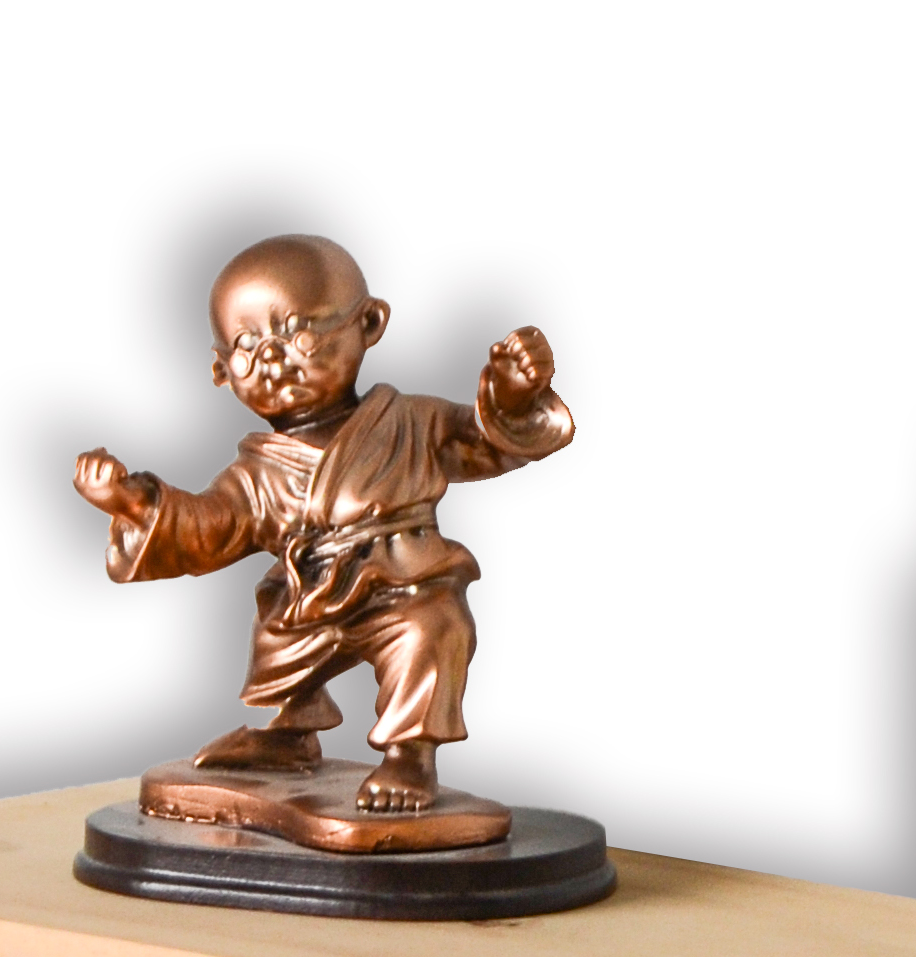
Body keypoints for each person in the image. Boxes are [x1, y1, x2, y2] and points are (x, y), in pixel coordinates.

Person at [73, 234, 573, 813]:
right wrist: (131, 502)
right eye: (246, 346)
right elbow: (209, 527)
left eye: (298, 333)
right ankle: (290, 735)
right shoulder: (256, 472)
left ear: (369, 323)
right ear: (219, 368)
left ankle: (410, 755)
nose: (273, 359)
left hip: (407, 584)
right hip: (308, 599)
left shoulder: (410, 421)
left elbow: (487, 446)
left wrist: (512, 397)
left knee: (433, 631)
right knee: (278, 642)